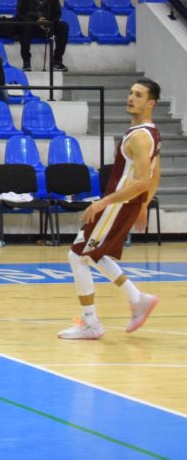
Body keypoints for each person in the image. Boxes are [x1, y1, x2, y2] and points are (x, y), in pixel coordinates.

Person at [58, 79, 161, 340]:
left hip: (117, 205)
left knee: (77, 256)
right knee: (92, 255)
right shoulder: (149, 132)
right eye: (130, 93)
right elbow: (155, 173)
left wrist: (104, 202)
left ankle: (91, 323)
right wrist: (143, 204)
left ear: (151, 103)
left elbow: (143, 180)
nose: (131, 98)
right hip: (124, 204)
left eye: (138, 95)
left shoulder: (140, 137)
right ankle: (137, 298)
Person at [15, 0, 69, 72]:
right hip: (31, 25)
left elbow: (57, 12)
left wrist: (48, 22)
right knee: (24, 26)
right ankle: (26, 62)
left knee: (63, 27)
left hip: (48, 24)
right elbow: (20, 13)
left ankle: (57, 61)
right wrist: (36, 21)